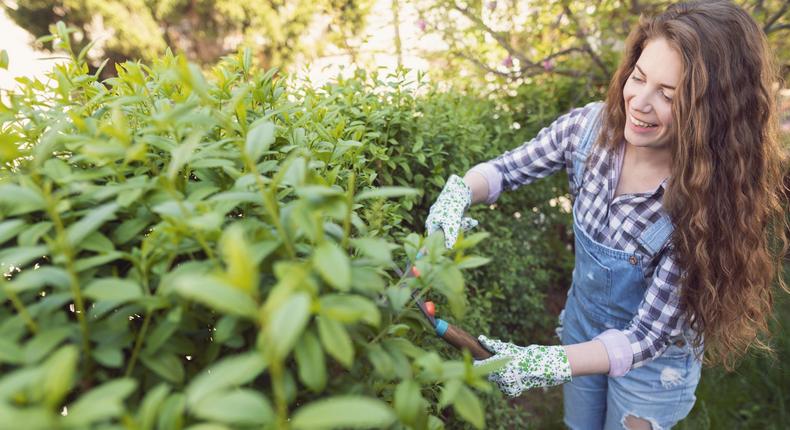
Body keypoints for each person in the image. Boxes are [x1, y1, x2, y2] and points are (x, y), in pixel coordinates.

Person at [424, 1, 789, 429]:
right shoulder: (587, 133)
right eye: (638, 77)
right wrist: (460, 191)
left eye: (669, 96)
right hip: (582, 328)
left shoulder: (702, 207)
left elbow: (647, 337)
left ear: (711, 117)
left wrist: (543, 362)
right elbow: (504, 171)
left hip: (652, 366)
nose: (640, 102)